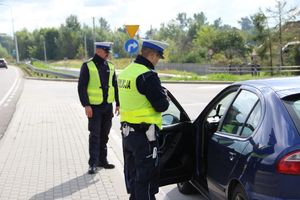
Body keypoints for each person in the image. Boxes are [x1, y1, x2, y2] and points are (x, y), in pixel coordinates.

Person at [118, 39, 170, 200]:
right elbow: (161, 106)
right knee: (146, 180)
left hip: (128, 135)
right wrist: (165, 96)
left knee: (134, 177)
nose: (158, 61)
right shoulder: (148, 75)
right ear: (152, 55)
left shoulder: (126, 72)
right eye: (158, 57)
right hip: (145, 136)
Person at [78, 41, 119, 174]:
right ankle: (93, 163)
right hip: (94, 108)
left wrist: (118, 103)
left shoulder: (110, 66)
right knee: (95, 136)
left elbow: (115, 85)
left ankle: (103, 161)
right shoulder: (87, 66)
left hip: (107, 107)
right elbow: (81, 87)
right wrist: (86, 105)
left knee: (105, 135)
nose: (108, 54)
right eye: (106, 51)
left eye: (109, 52)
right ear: (98, 51)